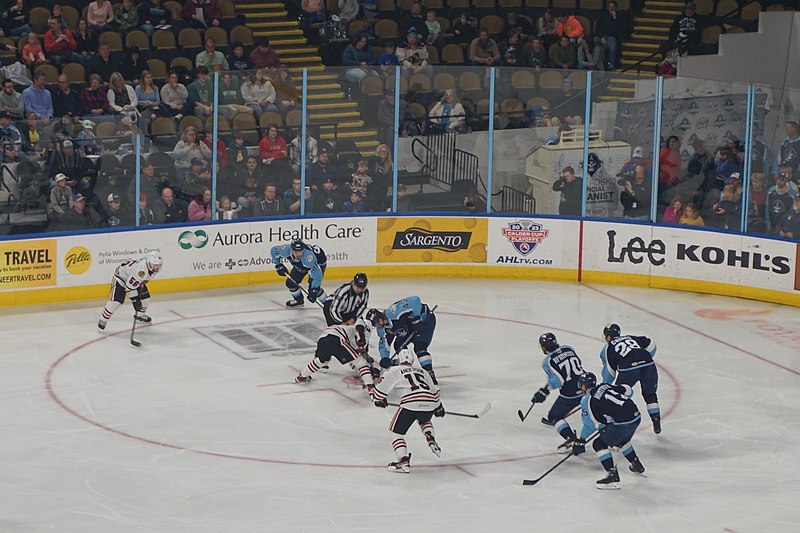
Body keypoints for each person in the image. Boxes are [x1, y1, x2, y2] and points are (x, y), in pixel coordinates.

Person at [371, 347, 444, 474]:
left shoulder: (394, 370)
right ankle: (430, 437)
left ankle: (403, 461)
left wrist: (378, 399)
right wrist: (439, 407)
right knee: (424, 419)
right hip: (430, 402)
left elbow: (378, 394)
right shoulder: (423, 372)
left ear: (399, 359)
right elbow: (434, 392)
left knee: (396, 432)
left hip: (410, 403)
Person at [294, 311, 388, 396]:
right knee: (361, 363)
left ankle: (301, 376)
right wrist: (368, 365)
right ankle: (371, 389)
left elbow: (355, 350)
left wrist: (363, 353)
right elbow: (360, 325)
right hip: (336, 339)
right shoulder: (367, 324)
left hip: (322, 339)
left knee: (322, 361)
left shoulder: (346, 328)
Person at [599, 323, 661, 434]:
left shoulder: (608, 348)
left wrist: (604, 387)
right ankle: (656, 420)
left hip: (629, 370)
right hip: (648, 365)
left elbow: (609, 372)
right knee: (650, 395)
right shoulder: (631, 338)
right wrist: (644, 358)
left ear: (608, 336)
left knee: (618, 396)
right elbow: (651, 345)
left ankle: (617, 425)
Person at [529, 332, 587, 450]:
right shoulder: (568, 348)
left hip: (570, 394)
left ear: (543, 347)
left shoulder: (548, 361)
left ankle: (570, 437)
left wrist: (543, 392)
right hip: (586, 387)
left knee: (554, 416)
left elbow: (557, 381)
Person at [375, 296, 438, 383]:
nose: (377, 326)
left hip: (425, 320)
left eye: (377, 322)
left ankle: (431, 376)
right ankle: (408, 371)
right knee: (398, 345)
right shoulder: (381, 329)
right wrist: (385, 359)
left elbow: (415, 300)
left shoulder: (394, 312)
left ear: (381, 318)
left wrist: (416, 318)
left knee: (420, 347)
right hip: (410, 327)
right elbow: (384, 344)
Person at [98, 251, 163, 330]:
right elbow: (129, 287)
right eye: (155, 265)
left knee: (145, 299)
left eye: (158, 265)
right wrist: (135, 301)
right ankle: (103, 320)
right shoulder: (141, 272)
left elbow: (137, 282)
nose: (157, 267)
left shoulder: (150, 268)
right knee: (116, 301)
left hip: (135, 279)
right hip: (121, 278)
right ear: (149, 263)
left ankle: (139, 315)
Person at [270, 239, 328, 307]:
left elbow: (317, 275)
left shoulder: (308, 257)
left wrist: (314, 289)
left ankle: (328, 305)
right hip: (302, 265)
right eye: (295, 251)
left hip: (318, 263)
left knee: (314, 289)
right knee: (291, 283)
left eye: (300, 251)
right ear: (291, 249)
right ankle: (299, 300)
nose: (298, 254)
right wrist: (278, 265)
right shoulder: (286, 249)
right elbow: (273, 250)